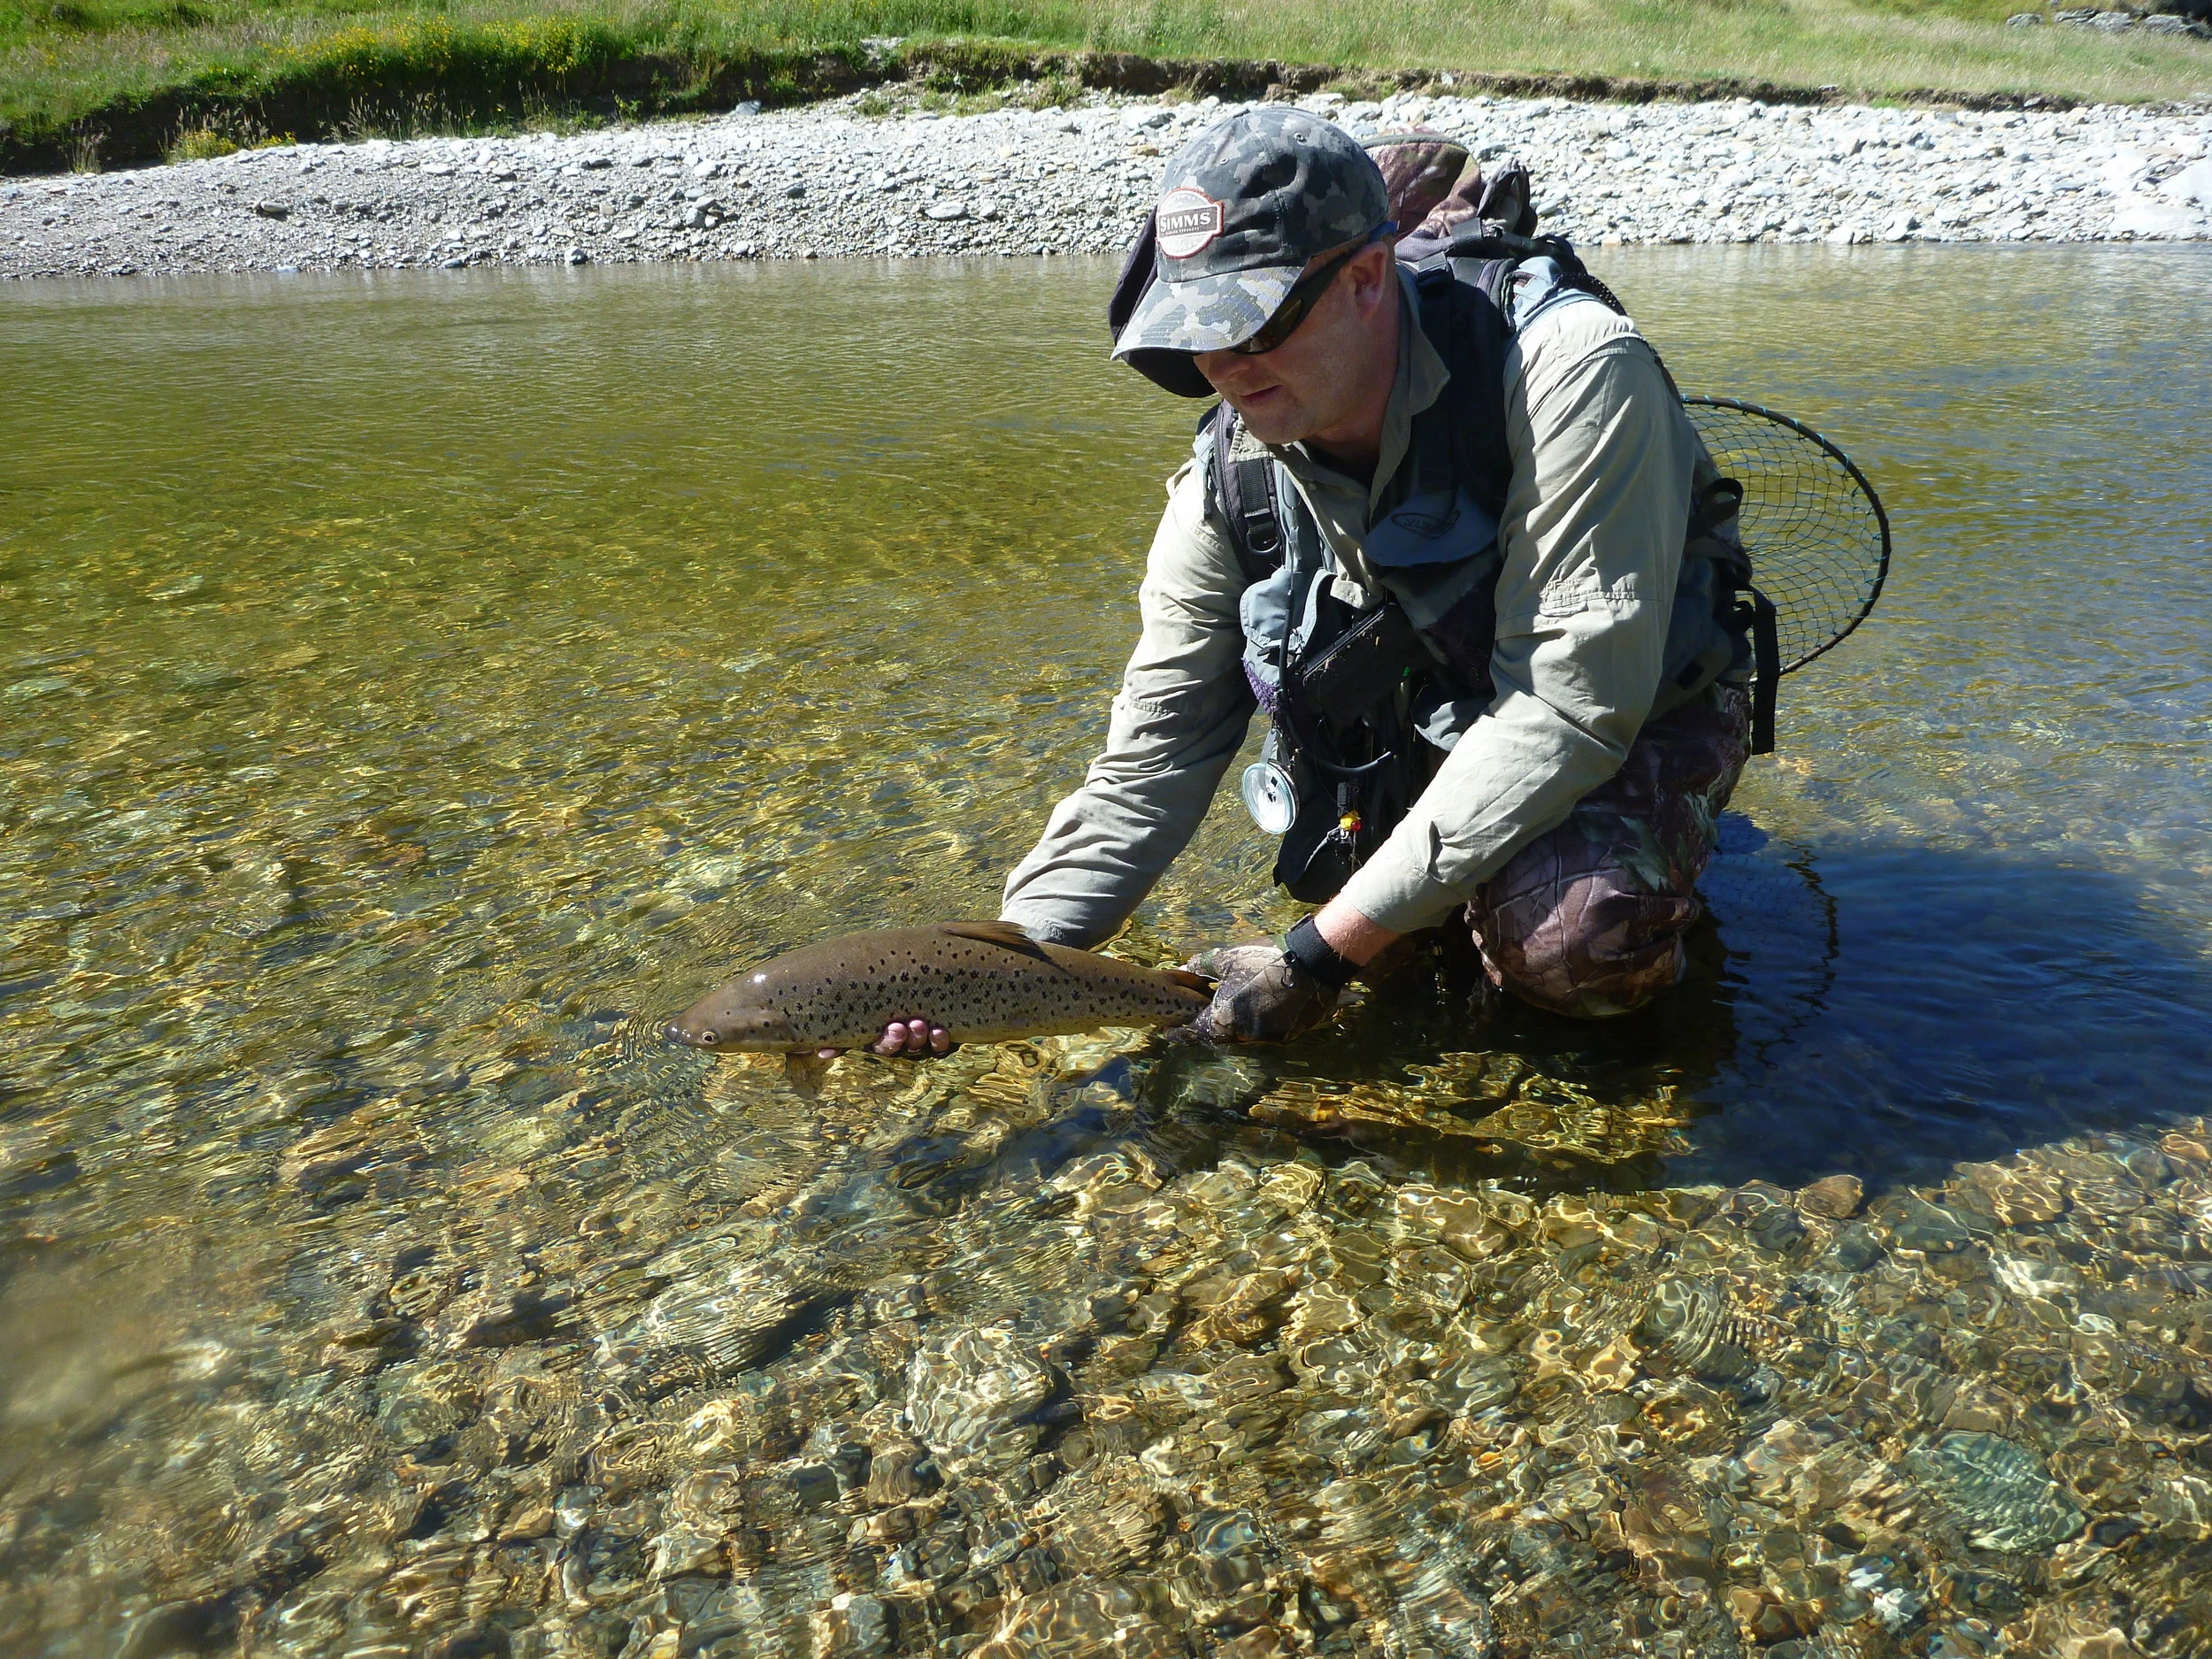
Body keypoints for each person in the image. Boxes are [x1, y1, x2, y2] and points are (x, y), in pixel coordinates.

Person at [868, 106, 1756, 1059]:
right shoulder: (1228, 472)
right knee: (1389, 930)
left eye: (1249, 324)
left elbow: (1569, 709)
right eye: (1193, 332)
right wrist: (998, 966)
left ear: (1368, 276)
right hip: (1427, 724)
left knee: (1573, 951)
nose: (1220, 366)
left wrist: (1315, 959)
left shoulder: (1570, 373)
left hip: (1621, 713)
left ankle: (1653, 868)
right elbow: (1155, 756)